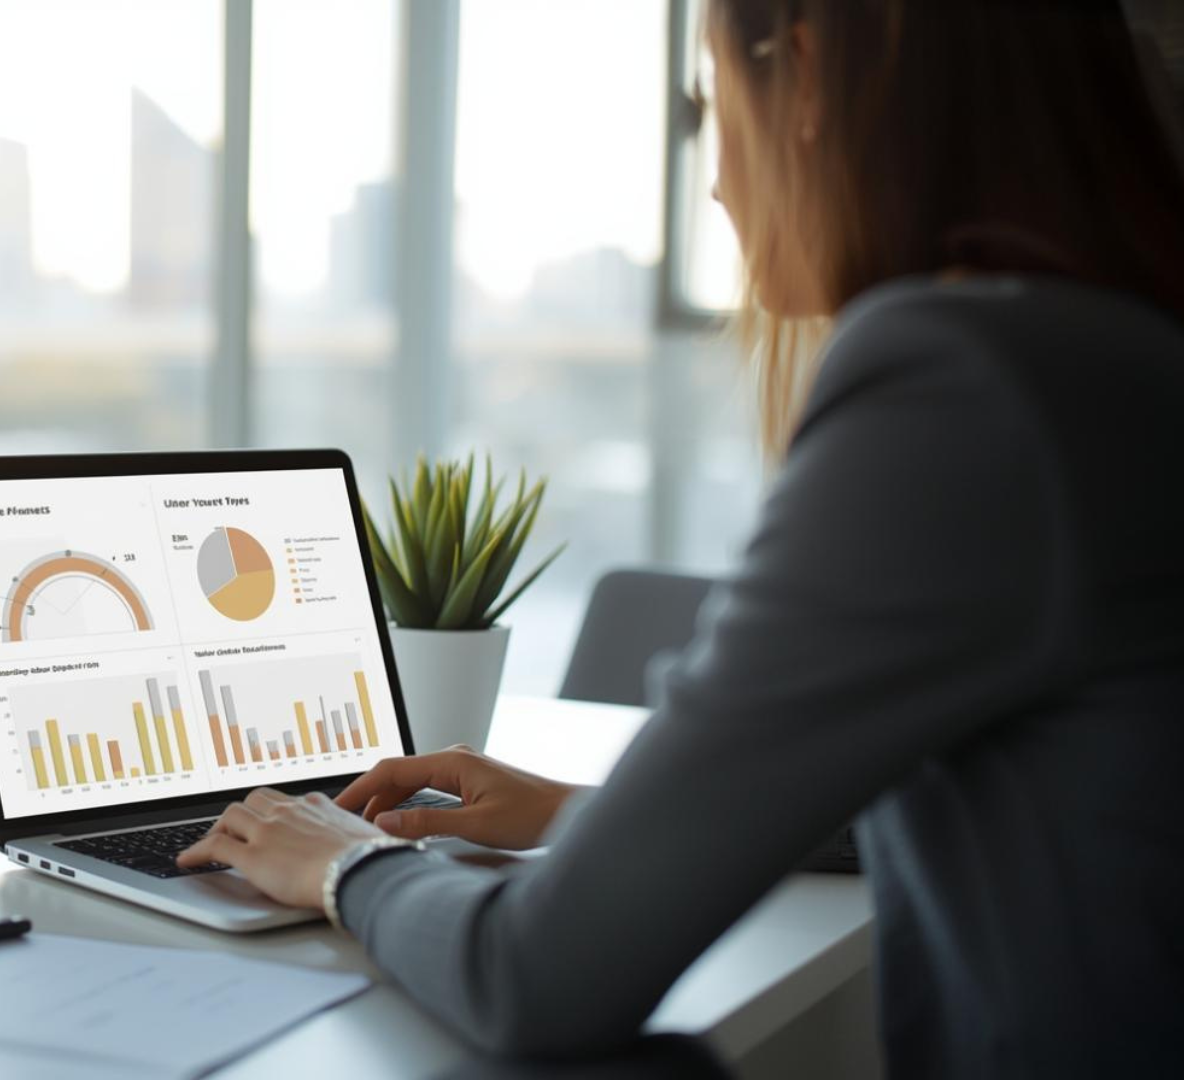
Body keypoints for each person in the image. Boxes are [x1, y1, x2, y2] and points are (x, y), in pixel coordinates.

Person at [177, 0, 1184, 1073]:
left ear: (800, 73)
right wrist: (585, 816)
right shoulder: (1116, 355)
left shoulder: (968, 386)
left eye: (709, 106)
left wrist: (348, 864)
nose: (710, 179)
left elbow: (539, 978)